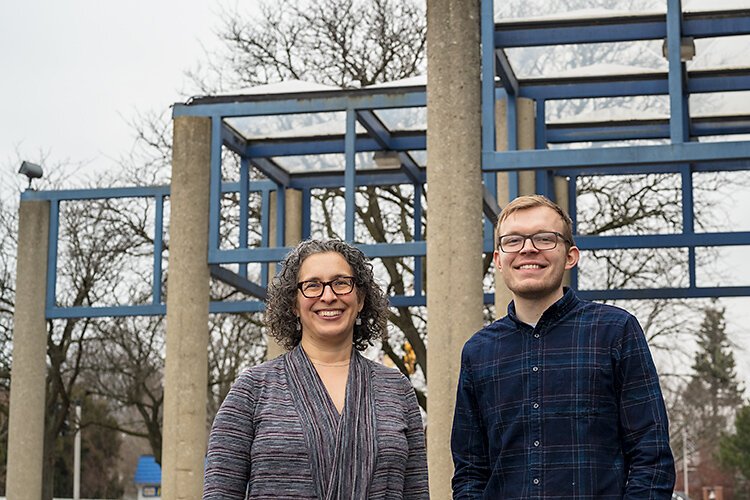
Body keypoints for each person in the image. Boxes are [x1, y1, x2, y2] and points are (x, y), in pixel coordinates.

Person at [451, 195, 675, 499]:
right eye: (513, 240)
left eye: (544, 238)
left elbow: (651, 455)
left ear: (570, 256)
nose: (528, 248)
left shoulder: (615, 331)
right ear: (498, 260)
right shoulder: (478, 352)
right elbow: (470, 471)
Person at [204, 239, 429, 499]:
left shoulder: (396, 389)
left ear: (361, 299)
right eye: (312, 286)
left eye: (341, 283)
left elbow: (417, 493)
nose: (328, 296)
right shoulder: (252, 389)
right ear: (293, 304)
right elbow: (220, 493)